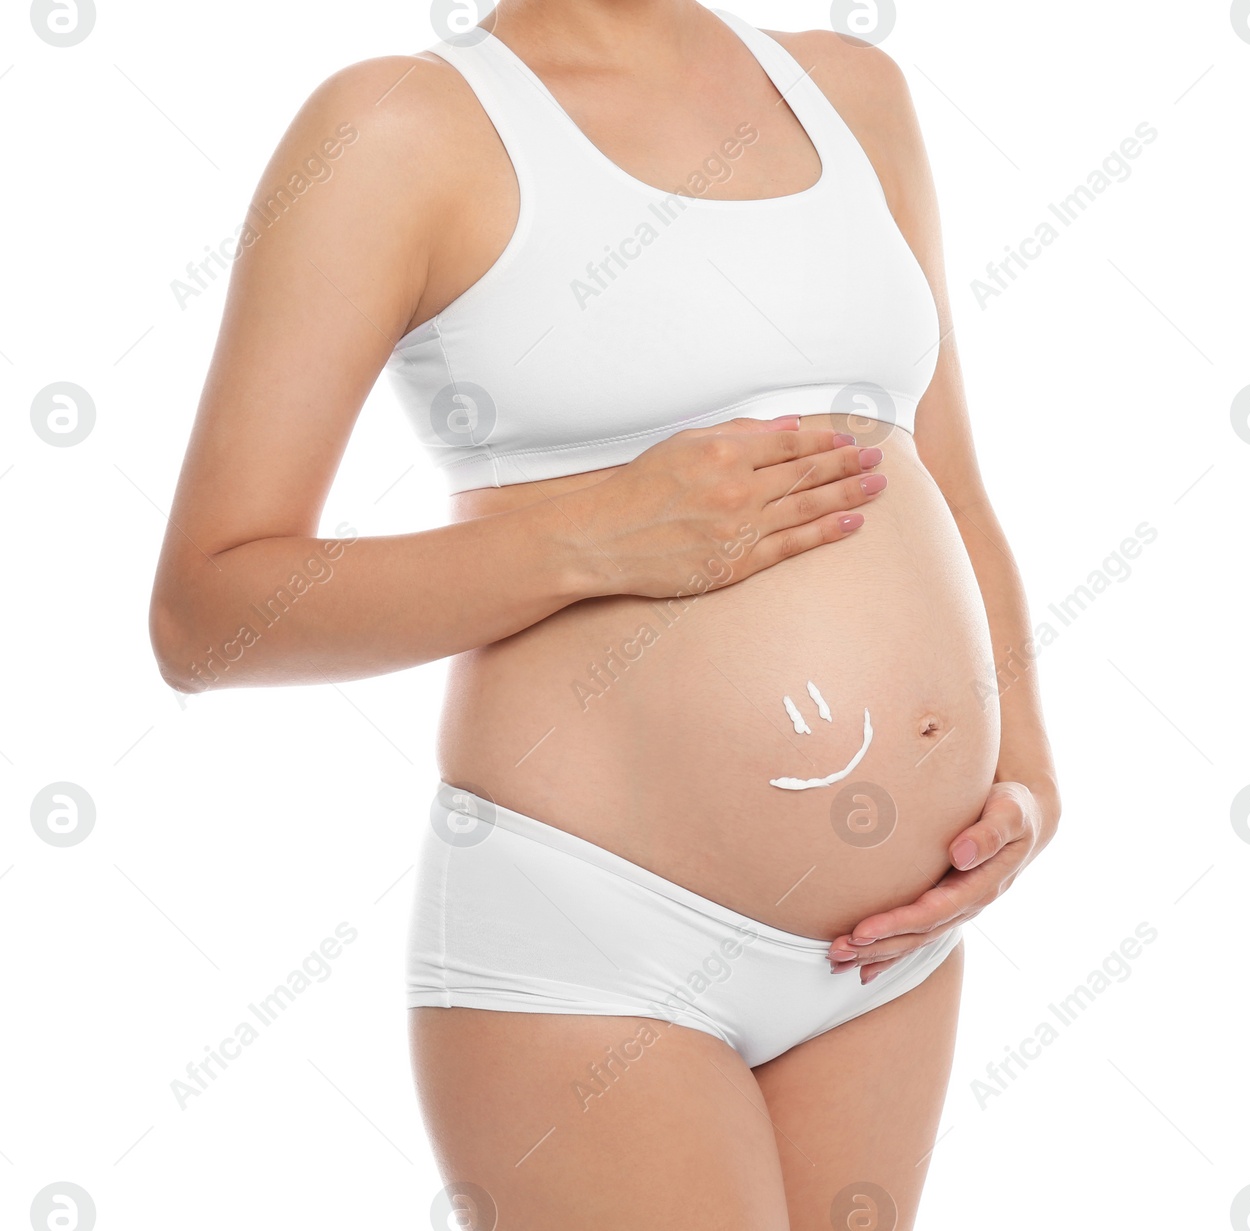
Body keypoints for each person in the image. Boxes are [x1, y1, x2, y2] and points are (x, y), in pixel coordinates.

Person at [149, 2, 1060, 1226]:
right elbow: (209, 611)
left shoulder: (854, 92)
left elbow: (946, 480)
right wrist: (589, 535)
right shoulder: (400, 129)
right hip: (599, 943)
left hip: (891, 949)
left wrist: (1027, 778)